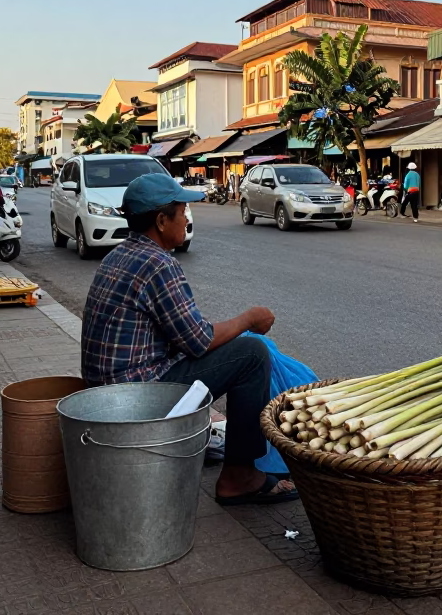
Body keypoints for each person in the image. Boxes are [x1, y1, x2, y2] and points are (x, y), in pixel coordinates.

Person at [81, 173, 298, 506]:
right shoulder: (157, 263)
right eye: (182, 212)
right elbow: (198, 341)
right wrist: (248, 320)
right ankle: (240, 476)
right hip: (135, 400)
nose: (186, 219)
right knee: (252, 353)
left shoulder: (119, 255)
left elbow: (182, 332)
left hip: (106, 393)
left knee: (238, 346)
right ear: (162, 220)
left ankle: (220, 450)